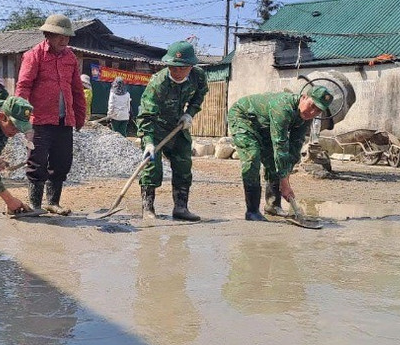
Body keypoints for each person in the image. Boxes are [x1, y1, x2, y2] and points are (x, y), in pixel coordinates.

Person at [228, 86, 334, 221]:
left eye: (318, 110)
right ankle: (252, 211)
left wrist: (286, 178)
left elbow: (295, 148)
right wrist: (284, 184)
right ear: (304, 97)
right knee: (252, 156)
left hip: (265, 125)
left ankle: (273, 205)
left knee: (274, 161)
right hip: (243, 117)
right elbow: (280, 146)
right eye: (312, 105)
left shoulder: (306, 117)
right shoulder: (283, 107)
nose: (312, 112)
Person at [15, 14, 86, 215]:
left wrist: (79, 116)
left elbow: (77, 90)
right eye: (59, 36)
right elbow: (23, 87)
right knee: (37, 162)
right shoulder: (34, 55)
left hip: (64, 121)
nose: (64, 41)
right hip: (39, 120)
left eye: (67, 37)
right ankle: (35, 205)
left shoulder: (70, 58)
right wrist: (21, 117)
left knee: (62, 162)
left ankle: (53, 202)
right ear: (48, 35)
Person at [136, 41, 208, 221]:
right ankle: (148, 209)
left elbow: (200, 95)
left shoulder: (198, 77)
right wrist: (149, 141)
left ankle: (181, 208)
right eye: (172, 67)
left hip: (178, 126)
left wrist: (189, 114)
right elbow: (145, 115)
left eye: (181, 68)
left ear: (190, 66)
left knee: (183, 164)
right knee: (152, 166)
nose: (176, 72)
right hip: (156, 126)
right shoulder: (158, 83)